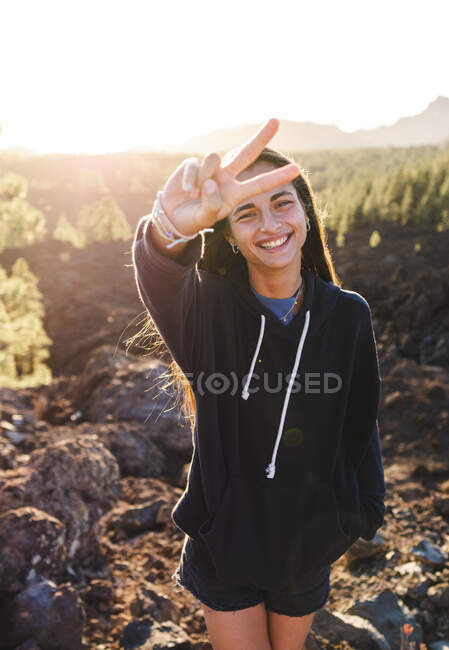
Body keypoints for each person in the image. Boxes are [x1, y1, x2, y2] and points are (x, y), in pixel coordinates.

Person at [131, 118, 386, 650]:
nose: (269, 224)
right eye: (247, 212)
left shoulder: (348, 316)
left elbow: (361, 425)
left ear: (307, 216)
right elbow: (161, 272)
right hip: (226, 545)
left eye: (282, 204)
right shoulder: (208, 309)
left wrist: (357, 514)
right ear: (229, 234)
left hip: (307, 544)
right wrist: (172, 227)